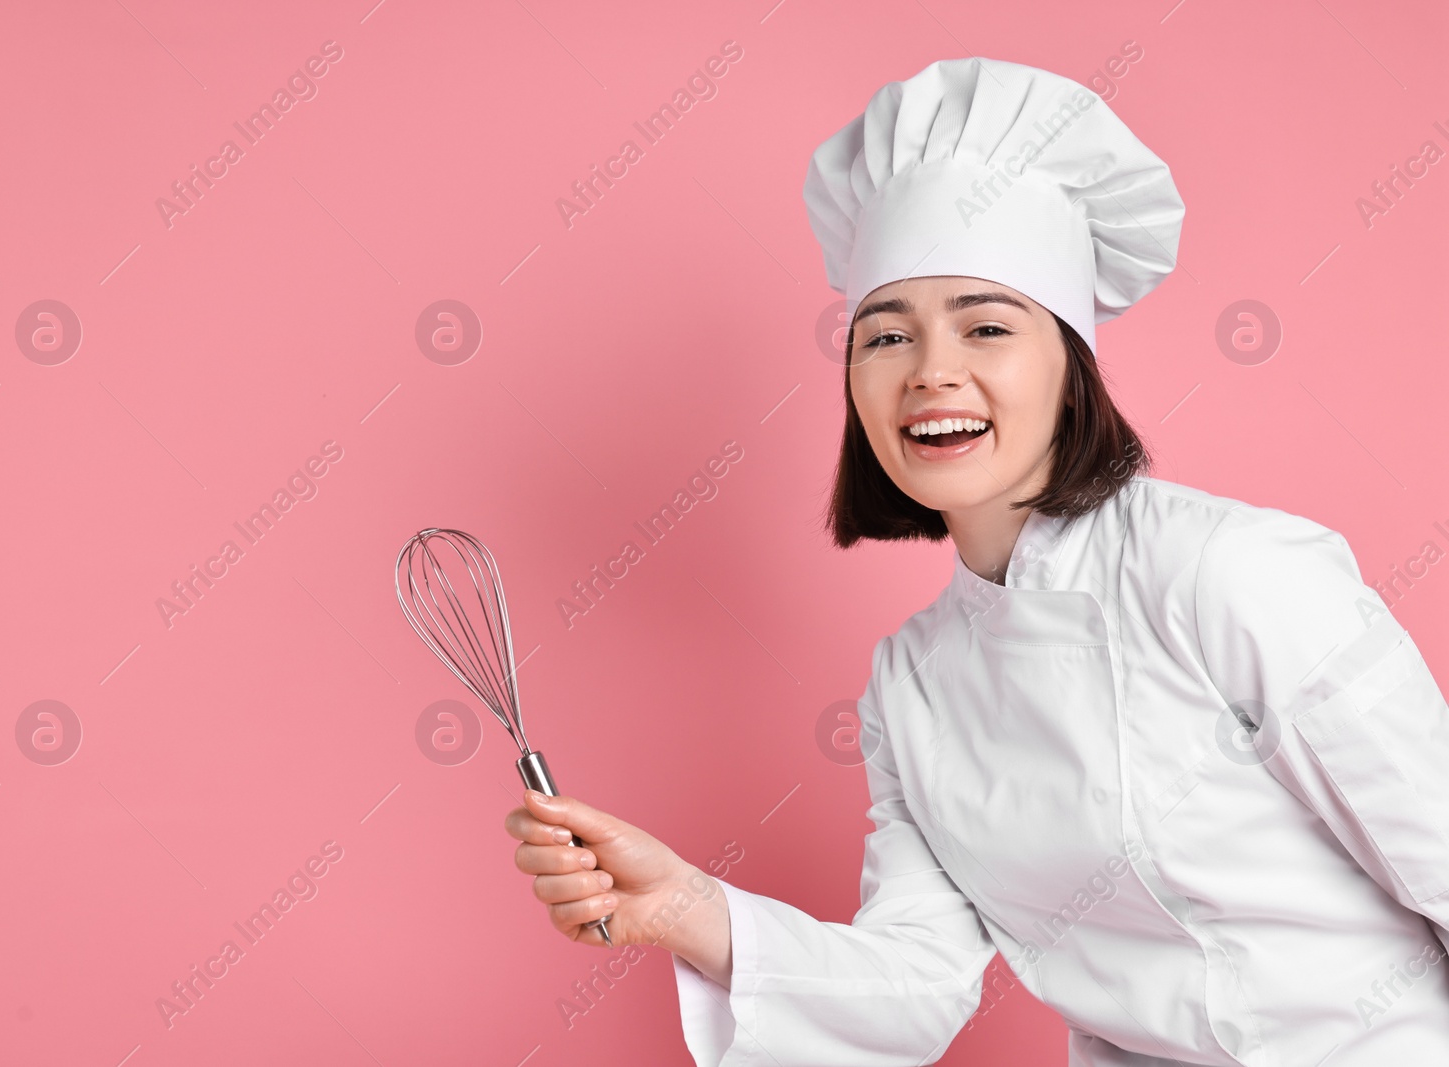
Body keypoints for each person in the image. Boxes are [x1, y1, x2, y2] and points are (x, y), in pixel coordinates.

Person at [504, 57, 1449, 1066]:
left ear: (1070, 364)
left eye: (986, 324)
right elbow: (917, 983)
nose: (930, 372)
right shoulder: (912, 679)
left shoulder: (1230, 572)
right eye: (885, 336)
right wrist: (686, 905)